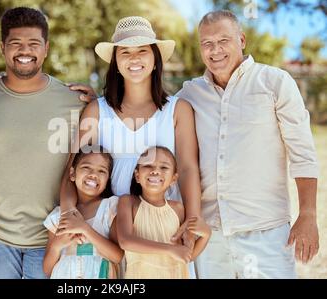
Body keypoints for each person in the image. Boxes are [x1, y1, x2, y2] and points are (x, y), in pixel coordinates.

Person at [176, 10, 319, 278]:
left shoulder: (275, 82)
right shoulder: (189, 93)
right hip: (209, 236)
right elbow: (147, 109)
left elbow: (303, 153)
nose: (215, 50)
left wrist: (308, 214)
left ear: (241, 40)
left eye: (223, 40)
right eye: (207, 43)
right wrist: (96, 100)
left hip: (265, 232)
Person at [58, 17, 202, 267]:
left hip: (161, 224)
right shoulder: (96, 110)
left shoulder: (178, 110)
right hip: (107, 229)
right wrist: (69, 212)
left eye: (143, 51)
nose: (134, 58)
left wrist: (193, 221)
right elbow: (72, 168)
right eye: (125, 52)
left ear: (155, 60)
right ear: (115, 63)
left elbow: (188, 169)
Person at [0, 7, 86, 279]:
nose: (24, 50)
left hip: (50, 236)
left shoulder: (75, 102)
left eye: (33, 43)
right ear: (2, 48)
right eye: (15, 43)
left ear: (46, 48)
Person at [117, 146, 210, 279]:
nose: (155, 171)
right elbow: (125, 241)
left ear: (173, 179)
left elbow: (187, 255)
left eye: (164, 168)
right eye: (148, 166)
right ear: (137, 176)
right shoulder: (128, 202)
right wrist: (170, 249)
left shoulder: (178, 209)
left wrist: (206, 235)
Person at [43, 145, 123, 279]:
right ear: (72, 174)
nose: (93, 174)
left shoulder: (110, 208)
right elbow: (47, 270)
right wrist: (57, 246)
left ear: (107, 179)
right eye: (86, 167)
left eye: (102, 171)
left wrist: (85, 228)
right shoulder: (57, 217)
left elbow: (117, 256)